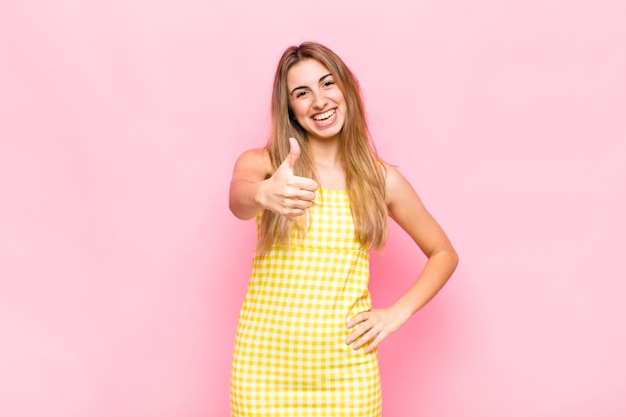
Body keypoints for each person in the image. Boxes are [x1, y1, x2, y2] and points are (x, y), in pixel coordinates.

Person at [228, 41, 458, 417]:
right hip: (263, 367)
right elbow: (238, 200)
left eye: (327, 84)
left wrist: (398, 312)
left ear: (346, 89)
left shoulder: (380, 179)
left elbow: (444, 253)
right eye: (302, 93)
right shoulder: (265, 163)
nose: (318, 101)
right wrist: (264, 192)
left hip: (347, 373)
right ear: (290, 108)